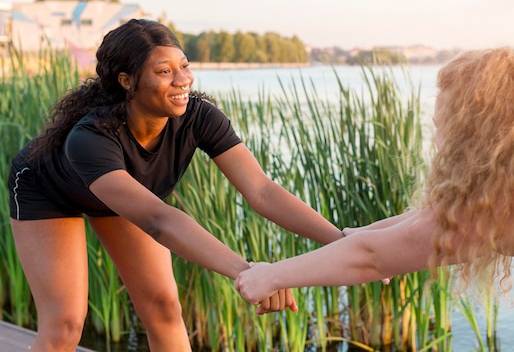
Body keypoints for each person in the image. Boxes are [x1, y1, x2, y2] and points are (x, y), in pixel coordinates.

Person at [235, 47, 514, 345]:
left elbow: (372, 259)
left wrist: (270, 276)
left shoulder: (507, 199)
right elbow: (423, 220)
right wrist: (354, 234)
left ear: (476, 129)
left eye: (442, 127)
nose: (438, 141)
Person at [7, 18, 345, 352]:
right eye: (164, 72)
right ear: (127, 81)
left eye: (184, 66)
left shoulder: (199, 117)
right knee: (65, 325)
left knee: (165, 307)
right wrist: (248, 274)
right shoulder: (90, 138)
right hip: (47, 193)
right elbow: (159, 220)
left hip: (125, 197)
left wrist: (342, 242)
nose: (182, 80)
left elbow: (262, 191)